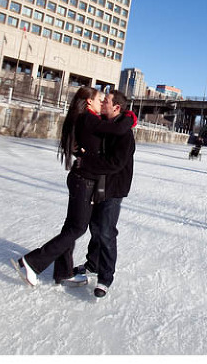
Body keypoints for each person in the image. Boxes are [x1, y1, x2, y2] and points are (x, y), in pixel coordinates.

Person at [12, 86, 136, 288]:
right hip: (84, 182)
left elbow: (111, 137)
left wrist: (84, 154)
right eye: (100, 99)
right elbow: (116, 129)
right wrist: (130, 118)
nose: (102, 102)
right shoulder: (89, 119)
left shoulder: (89, 119)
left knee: (72, 228)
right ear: (89, 102)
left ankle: (64, 272)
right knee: (77, 228)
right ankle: (33, 262)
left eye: (105, 100)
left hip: (85, 181)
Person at [72, 90, 136, 298]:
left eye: (106, 101)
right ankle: (92, 265)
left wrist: (86, 162)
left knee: (106, 230)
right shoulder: (104, 125)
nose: (102, 103)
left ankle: (106, 277)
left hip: (114, 187)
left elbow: (115, 163)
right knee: (95, 226)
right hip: (98, 183)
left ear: (116, 107)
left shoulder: (124, 133)